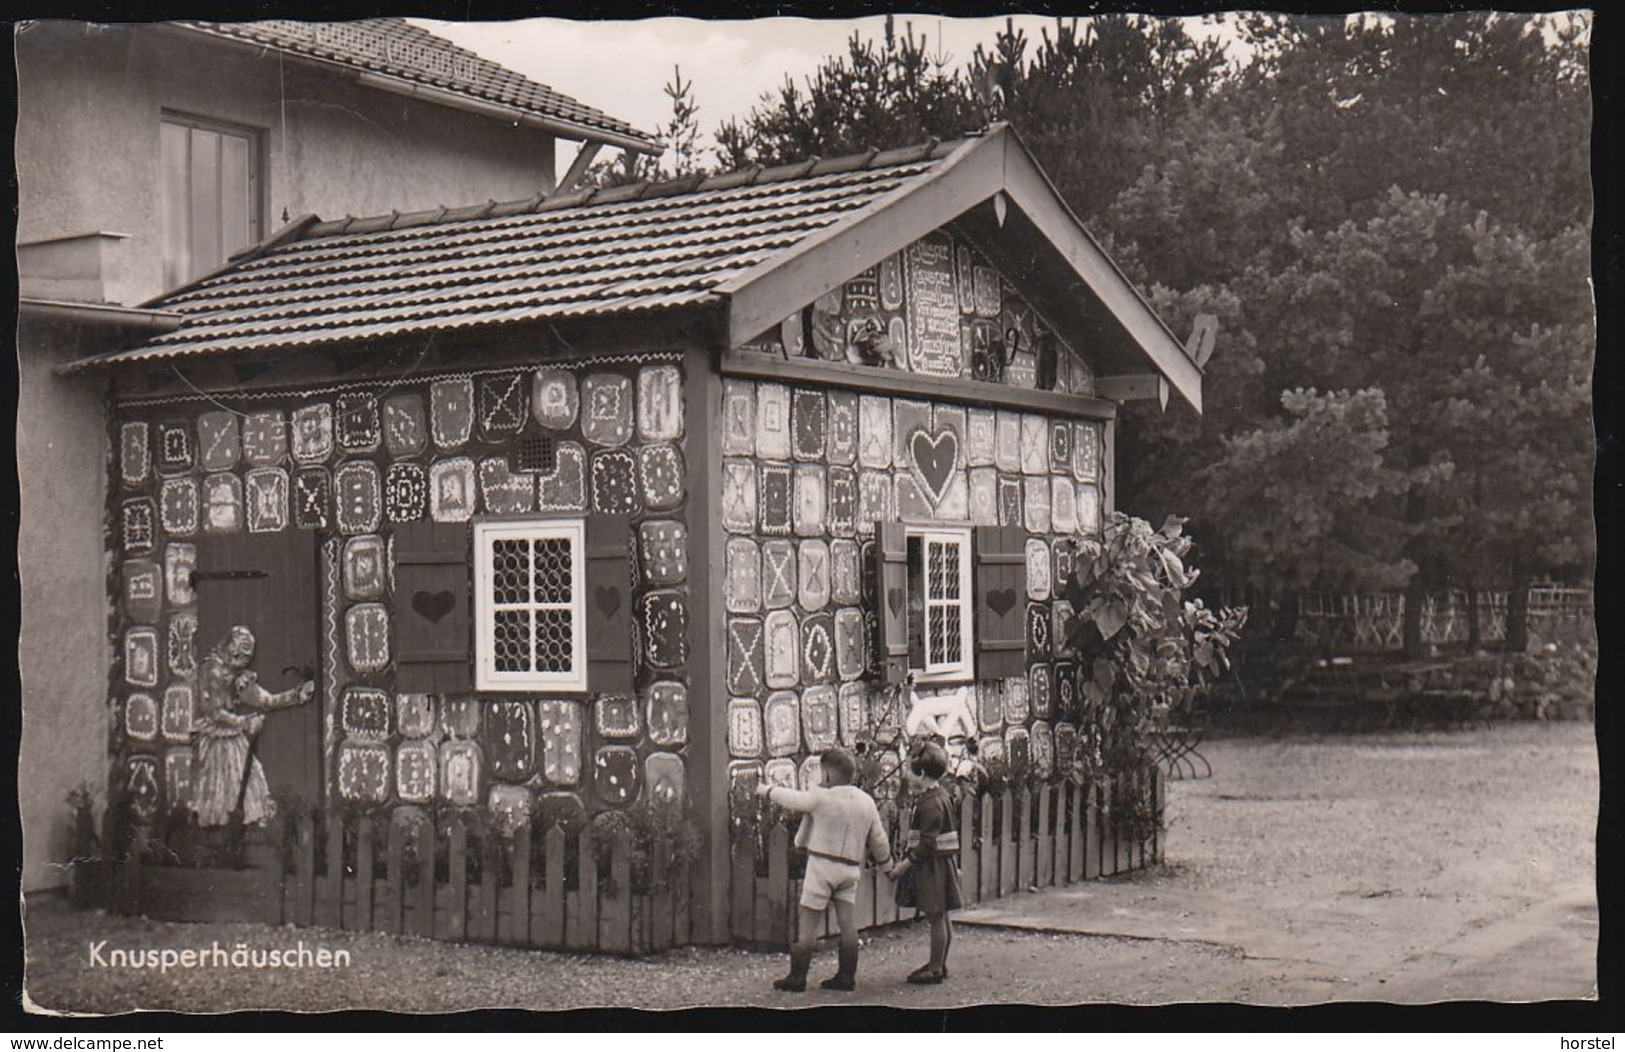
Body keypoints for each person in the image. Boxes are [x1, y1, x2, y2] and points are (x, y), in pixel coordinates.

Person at [755, 747, 891, 993]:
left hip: (821, 866)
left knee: (808, 925)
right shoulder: (866, 802)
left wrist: (766, 790)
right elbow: (879, 840)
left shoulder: (820, 797)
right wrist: (887, 865)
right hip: (850, 869)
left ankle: (797, 977)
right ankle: (846, 976)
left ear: (827, 773)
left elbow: (793, 799)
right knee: (847, 924)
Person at [192, 626, 315, 828]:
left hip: (233, 739)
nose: (241, 658)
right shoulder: (210, 670)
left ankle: (237, 835)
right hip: (214, 743)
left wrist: (296, 695)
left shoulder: (239, 677)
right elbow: (214, 712)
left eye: (246, 655)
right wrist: (245, 722)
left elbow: (265, 700)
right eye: (238, 651)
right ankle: (216, 836)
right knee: (218, 791)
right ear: (228, 645)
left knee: (248, 786)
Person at [892, 740, 964, 984]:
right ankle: (939, 963)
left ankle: (934, 967)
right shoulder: (939, 795)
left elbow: (927, 844)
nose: (907, 775)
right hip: (942, 864)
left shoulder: (930, 803)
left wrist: (905, 865)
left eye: (910, 771)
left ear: (920, 773)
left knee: (935, 916)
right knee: (941, 916)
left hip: (933, 866)